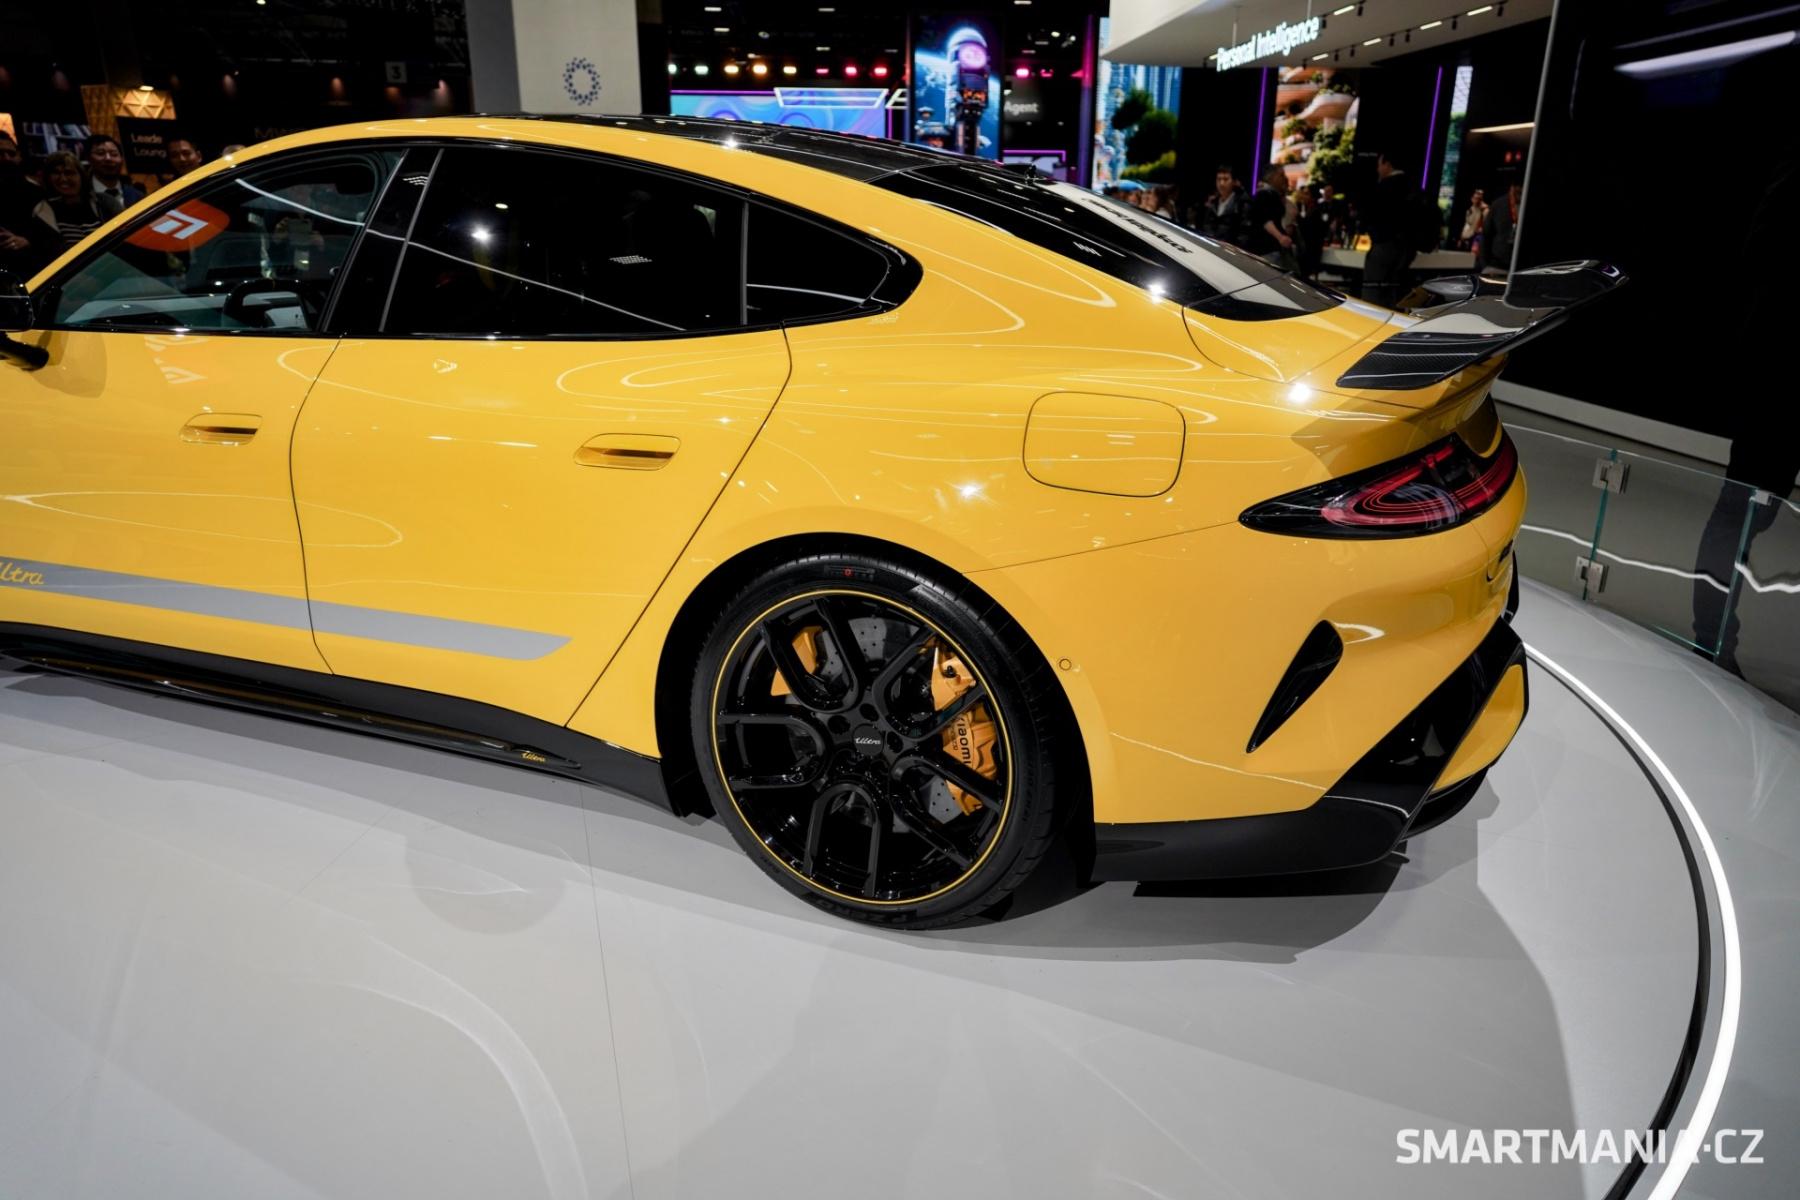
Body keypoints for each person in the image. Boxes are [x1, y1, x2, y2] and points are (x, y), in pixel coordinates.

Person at [1362, 151, 1418, 307]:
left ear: (1387, 164)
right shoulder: (1412, 186)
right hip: (1405, 249)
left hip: (1383, 246)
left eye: (1379, 165)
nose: (1378, 169)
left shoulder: (1385, 186)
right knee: (1391, 293)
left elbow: (1370, 214)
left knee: (1373, 293)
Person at [0, 131, 57, 276]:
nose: (6, 158)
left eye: (11, 154)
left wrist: (27, 241)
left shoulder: (37, 193)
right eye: (0, 153)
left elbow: (53, 238)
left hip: (37, 273)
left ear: (19, 156)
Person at [31, 150, 104, 251]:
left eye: (69, 172)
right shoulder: (42, 211)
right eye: (56, 173)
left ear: (81, 175)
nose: (63, 179)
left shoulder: (104, 202)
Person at [1247, 165, 1295, 269]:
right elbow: (1264, 219)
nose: (1284, 178)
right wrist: (1280, 237)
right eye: (1281, 175)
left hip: (1270, 249)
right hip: (1267, 249)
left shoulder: (1271, 194)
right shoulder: (1264, 194)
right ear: (1272, 177)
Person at [85, 134, 143, 217]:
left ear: (122, 159)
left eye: (114, 154)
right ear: (88, 158)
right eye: (100, 153)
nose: (108, 158)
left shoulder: (137, 196)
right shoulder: (81, 196)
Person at [1477, 180, 1521, 277]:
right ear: (1513, 187)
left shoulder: (1526, 205)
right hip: (1496, 267)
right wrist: (1485, 266)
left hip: (1519, 270)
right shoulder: (1498, 205)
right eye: (1518, 190)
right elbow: (1486, 235)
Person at [1198, 165, 1247, 245]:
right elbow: (1206, 226)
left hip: (1230, 250)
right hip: (1210, 245)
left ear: (1234, 182)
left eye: (1226, 179)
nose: (1221, 183)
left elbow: (1244, 234)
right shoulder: (1213, 202)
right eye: (1219, 179)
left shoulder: (1241, 203)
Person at [1294, 184, 1327, 281]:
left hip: (1310, 253)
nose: (1303, 196)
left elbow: (1310, 231)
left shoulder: (1317, 211)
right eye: (1303, 193)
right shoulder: (1303, 207)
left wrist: (1297, 218)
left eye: (1306, 194)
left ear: (1312, 197)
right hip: (1305, 251)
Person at [1458, 187, 1488, 251]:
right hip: (1469, 237)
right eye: (1475, 198)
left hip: (1478, 237)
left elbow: (1487, 225)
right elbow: (1467, 224)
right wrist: (1462, 237)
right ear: (1472, 198)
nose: (1477, 199)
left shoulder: (1485, 210)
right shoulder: (1470, 210)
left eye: (1479, 198)